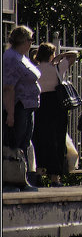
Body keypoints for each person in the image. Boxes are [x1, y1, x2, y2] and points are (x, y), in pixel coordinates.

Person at [32, 42, 77, 186]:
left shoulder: (35, 69)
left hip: (40, 105)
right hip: (56, 105)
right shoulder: (57, 68)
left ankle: (38, 172)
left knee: (39, 138)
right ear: (51, 55)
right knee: (57, 139)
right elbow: (74, 54)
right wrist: (60, 56)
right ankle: (54, 177)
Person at [3, 26, 41, 192]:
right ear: (22, 40)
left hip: (28, 106)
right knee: (14, 144)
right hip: (18, 106)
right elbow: (9, 87)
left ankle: (21, 179)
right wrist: (10, 113)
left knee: (23, 144)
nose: (31, 43)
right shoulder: (11, 58)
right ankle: (10, 180)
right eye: (30, 40)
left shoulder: (21, 57)